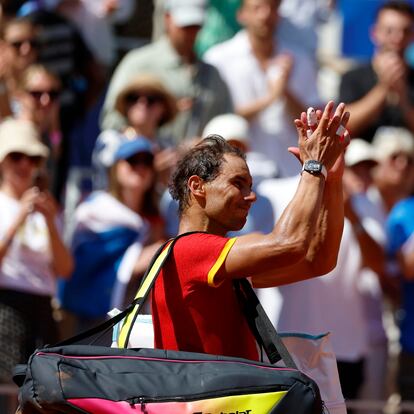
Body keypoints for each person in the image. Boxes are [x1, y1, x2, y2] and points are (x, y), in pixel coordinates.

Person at [151, 101, 349, 359]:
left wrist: (331, 181)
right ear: (197, 186)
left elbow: (318, 260)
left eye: (250, 185)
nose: (251, 196)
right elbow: (290, 243)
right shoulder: (189, 250)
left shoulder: (219, 263)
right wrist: (313, 168)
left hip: (226, 397)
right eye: (238, 183)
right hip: (211, 399)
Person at [58, 137, 164, 335]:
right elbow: (84, 262)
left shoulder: (154, 220)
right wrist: (152, 253)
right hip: (91, 319)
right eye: (133, 161)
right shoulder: (95, 209)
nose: (140, 168)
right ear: (116, 168)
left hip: (133, 322)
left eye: (146, 162)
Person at [204, 0, 320, 177]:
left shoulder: (301, 60)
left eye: (272, 8)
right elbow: (218, 121)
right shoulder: (218, 59)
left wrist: (285, 92)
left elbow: (313, 123)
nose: (265, 15)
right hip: (236, 174)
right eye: (257, 8)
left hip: (291, 173)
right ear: (241, 14)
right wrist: (272, 96)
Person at [0, 118, 73, 384]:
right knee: (7, 391)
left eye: (32, 158)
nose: (24, 165)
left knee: (43, 393)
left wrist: (51, 224)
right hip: (5, 308)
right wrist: (19, 217)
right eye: (16, 157)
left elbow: (65, 269)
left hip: (42, 310)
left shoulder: (48, 209)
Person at [100, 0, 234, 145]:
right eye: (185, 25)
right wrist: (146, 147)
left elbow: (226, 123)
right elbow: (111, 120)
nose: (190, 32)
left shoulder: (212, 74)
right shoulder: (138, 63)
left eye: (195, 26)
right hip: (145, 164)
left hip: (199, 165)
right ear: (167, 18)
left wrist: (204, 146)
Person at [339, 1, 414, 142]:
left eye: (406, 31)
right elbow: (344, 125)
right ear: (375, 33)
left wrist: (403, 99)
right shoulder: (353, 77)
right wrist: (384, 89)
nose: (398, 38)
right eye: (389, 31)